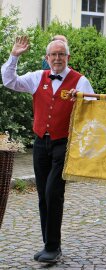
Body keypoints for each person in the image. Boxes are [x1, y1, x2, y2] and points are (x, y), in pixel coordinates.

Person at [1, 36, 94, 263]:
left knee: (54, 193)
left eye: (61, 54)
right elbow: (8, 80)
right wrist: (14, 56)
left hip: (64, 143)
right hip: (40, 143)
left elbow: (94, 108)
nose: (57, 58)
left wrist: (82, 100)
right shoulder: (37, 78)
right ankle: (49, 244)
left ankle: (53, 247)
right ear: (47, 58)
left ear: (67, 57)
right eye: (53, 54)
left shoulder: (80, 81)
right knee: (43, 194)